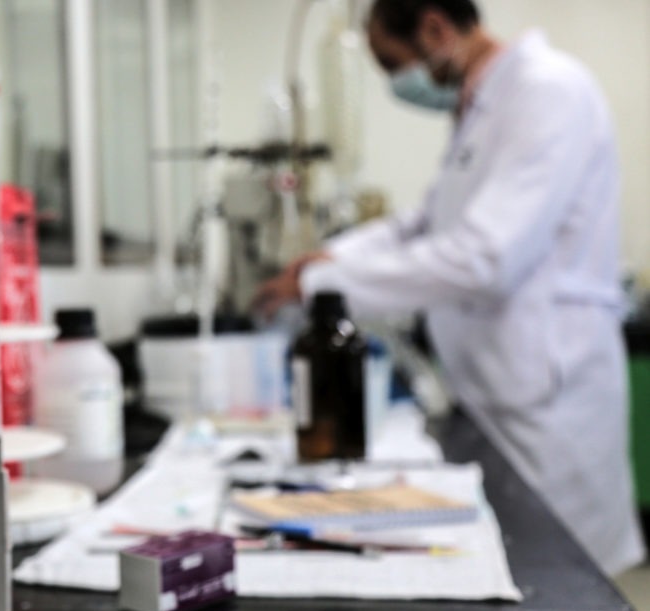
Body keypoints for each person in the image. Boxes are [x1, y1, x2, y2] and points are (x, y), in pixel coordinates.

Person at [259, 0, 644, 575]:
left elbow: (483, 258)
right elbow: (423, 222)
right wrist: (331, 257)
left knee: (560, 581)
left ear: (435, 29)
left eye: (393, 63)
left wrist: (320, 282)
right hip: (494, 393)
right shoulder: (481, 106)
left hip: (546, 400)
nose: (398, 82)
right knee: (509, 571)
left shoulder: (547, 92)